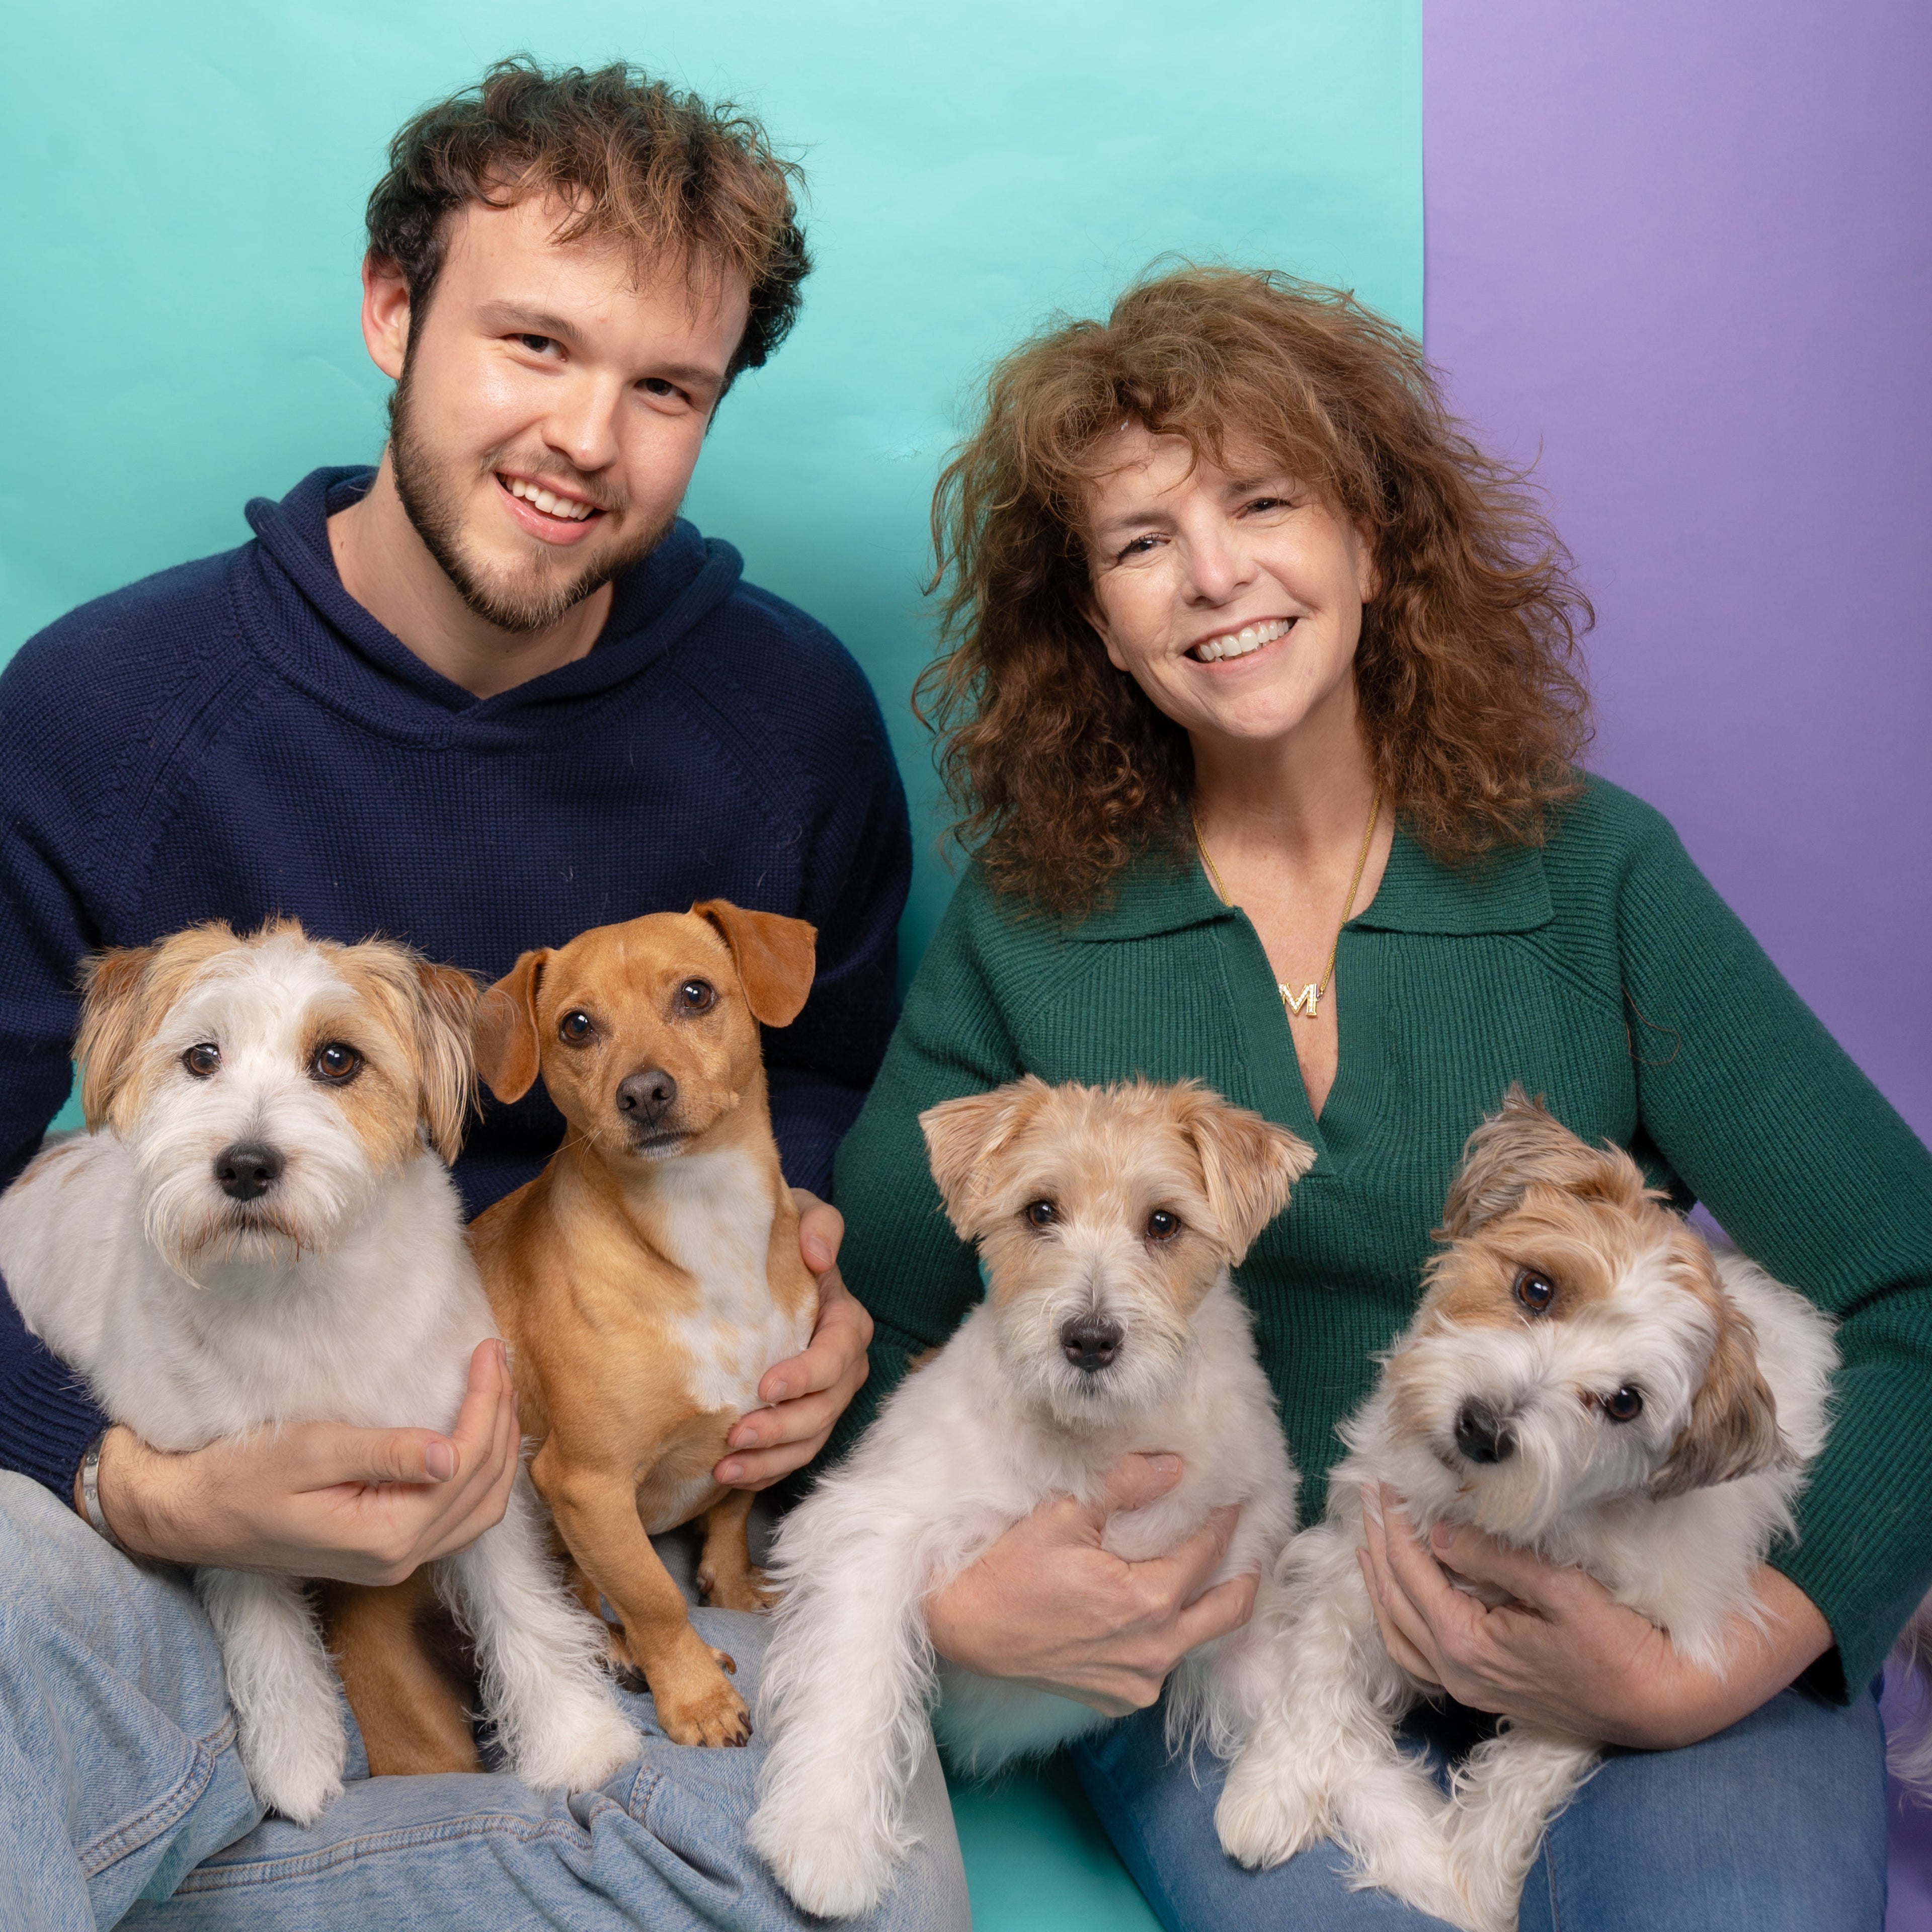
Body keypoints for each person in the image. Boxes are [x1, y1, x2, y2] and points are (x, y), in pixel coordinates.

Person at [828, 265, 1932, 1928]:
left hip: (1628, 1582)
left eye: (1264, 503)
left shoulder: (1593, 876)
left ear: (1373, 536)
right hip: (1215, 1628)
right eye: (1142, 544)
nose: (1215, 578)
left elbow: (1909, 1280)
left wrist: (1739, 1654)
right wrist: (962, 1607)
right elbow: (867, 1321)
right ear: (1092, 620)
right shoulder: (1030, 927)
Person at [0, 60, 967, 1930]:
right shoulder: (105, 715)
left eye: (665, 387)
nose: (588, 436)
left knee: (855, 1871)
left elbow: (838, 1072)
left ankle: (230, 1857)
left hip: (604, 1514)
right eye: (532, 340)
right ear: (391, 310)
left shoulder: (785, 726)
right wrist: (124, 1487)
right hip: (178, 1500)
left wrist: (820, 1276)